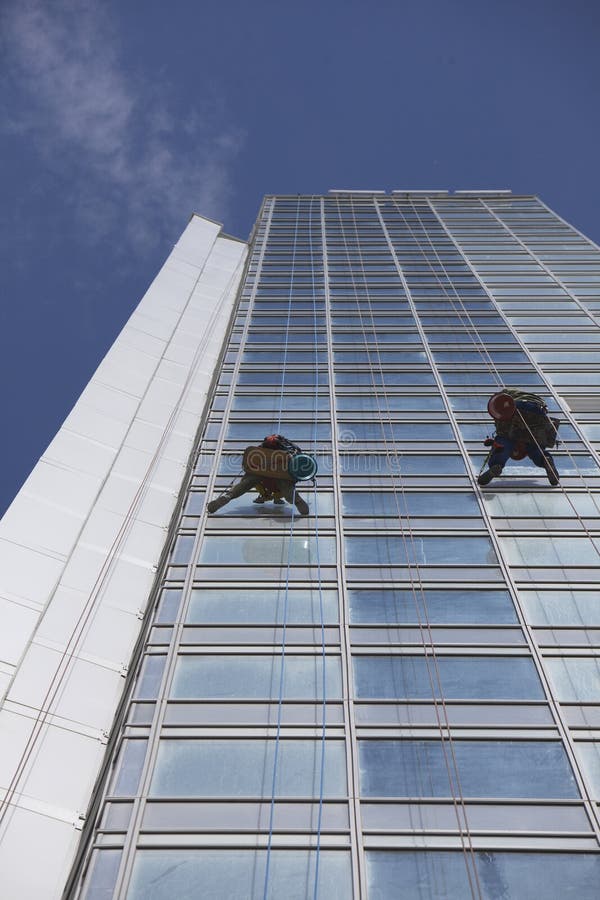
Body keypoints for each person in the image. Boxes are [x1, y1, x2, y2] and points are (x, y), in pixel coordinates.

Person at [207, 434, 310, 515]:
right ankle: (297, 501)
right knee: (286, 488)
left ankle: (229, 496)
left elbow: (249, 467)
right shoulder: (290, 448)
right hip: (281, 475)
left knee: (247, 483)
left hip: (262, 474)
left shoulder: (260, 450)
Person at [478, 389, 560, 486]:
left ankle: (497, 464)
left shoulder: (507, 391)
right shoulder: (531, 396)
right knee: (534, 446)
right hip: (538, 410)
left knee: (504, 441)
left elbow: (497, 400)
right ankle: (545, 460)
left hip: (516, 405)